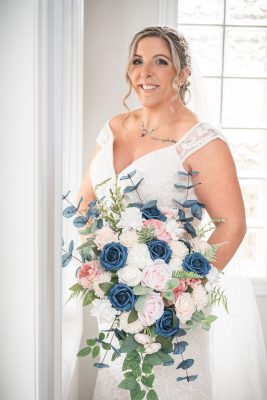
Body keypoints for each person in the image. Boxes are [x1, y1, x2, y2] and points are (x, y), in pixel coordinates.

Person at [77, 26, 265, 400]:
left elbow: (234, 225)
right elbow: (86, 206)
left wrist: (180, 289)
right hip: (117, 309)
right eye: (137, 61)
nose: (145, 73)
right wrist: (99, 273)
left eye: (159, 62)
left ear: (181, 75)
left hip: (170, 320)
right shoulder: (114, 127)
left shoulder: (201, 140)